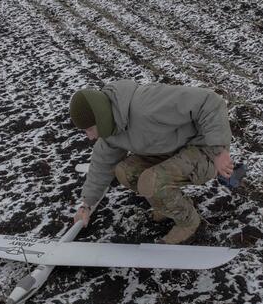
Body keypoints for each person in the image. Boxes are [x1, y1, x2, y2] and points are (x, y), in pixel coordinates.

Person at [69, 79, 233, 244]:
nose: (89, 137)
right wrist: (86, 205)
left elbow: (210, 101)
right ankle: (166, 204)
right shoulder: (111, 131)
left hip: (204, 149)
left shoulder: (147, 105)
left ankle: (188, 222)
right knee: (125, 172)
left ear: (101, 117)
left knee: (151, 181)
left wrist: (219, 150)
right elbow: (100, 166)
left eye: (90, 129)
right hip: (170, 151)